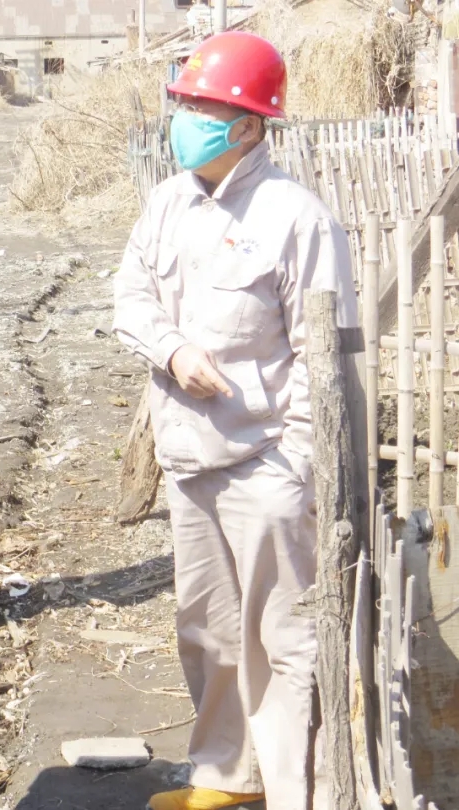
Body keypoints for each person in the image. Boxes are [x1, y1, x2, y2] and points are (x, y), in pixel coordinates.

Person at [113, 32, 358, 810]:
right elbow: (131, 298)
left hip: (266, 461)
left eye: (202, 108)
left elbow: (325, 356)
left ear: (249, 127)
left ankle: (296, 793)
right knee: (209, 631)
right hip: (189, 456)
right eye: (184, 103)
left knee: (284, 640)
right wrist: (173, 350)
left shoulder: (296, 218)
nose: (183, 119)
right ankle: (226, 778)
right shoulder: (168, 201)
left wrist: (299, 462)